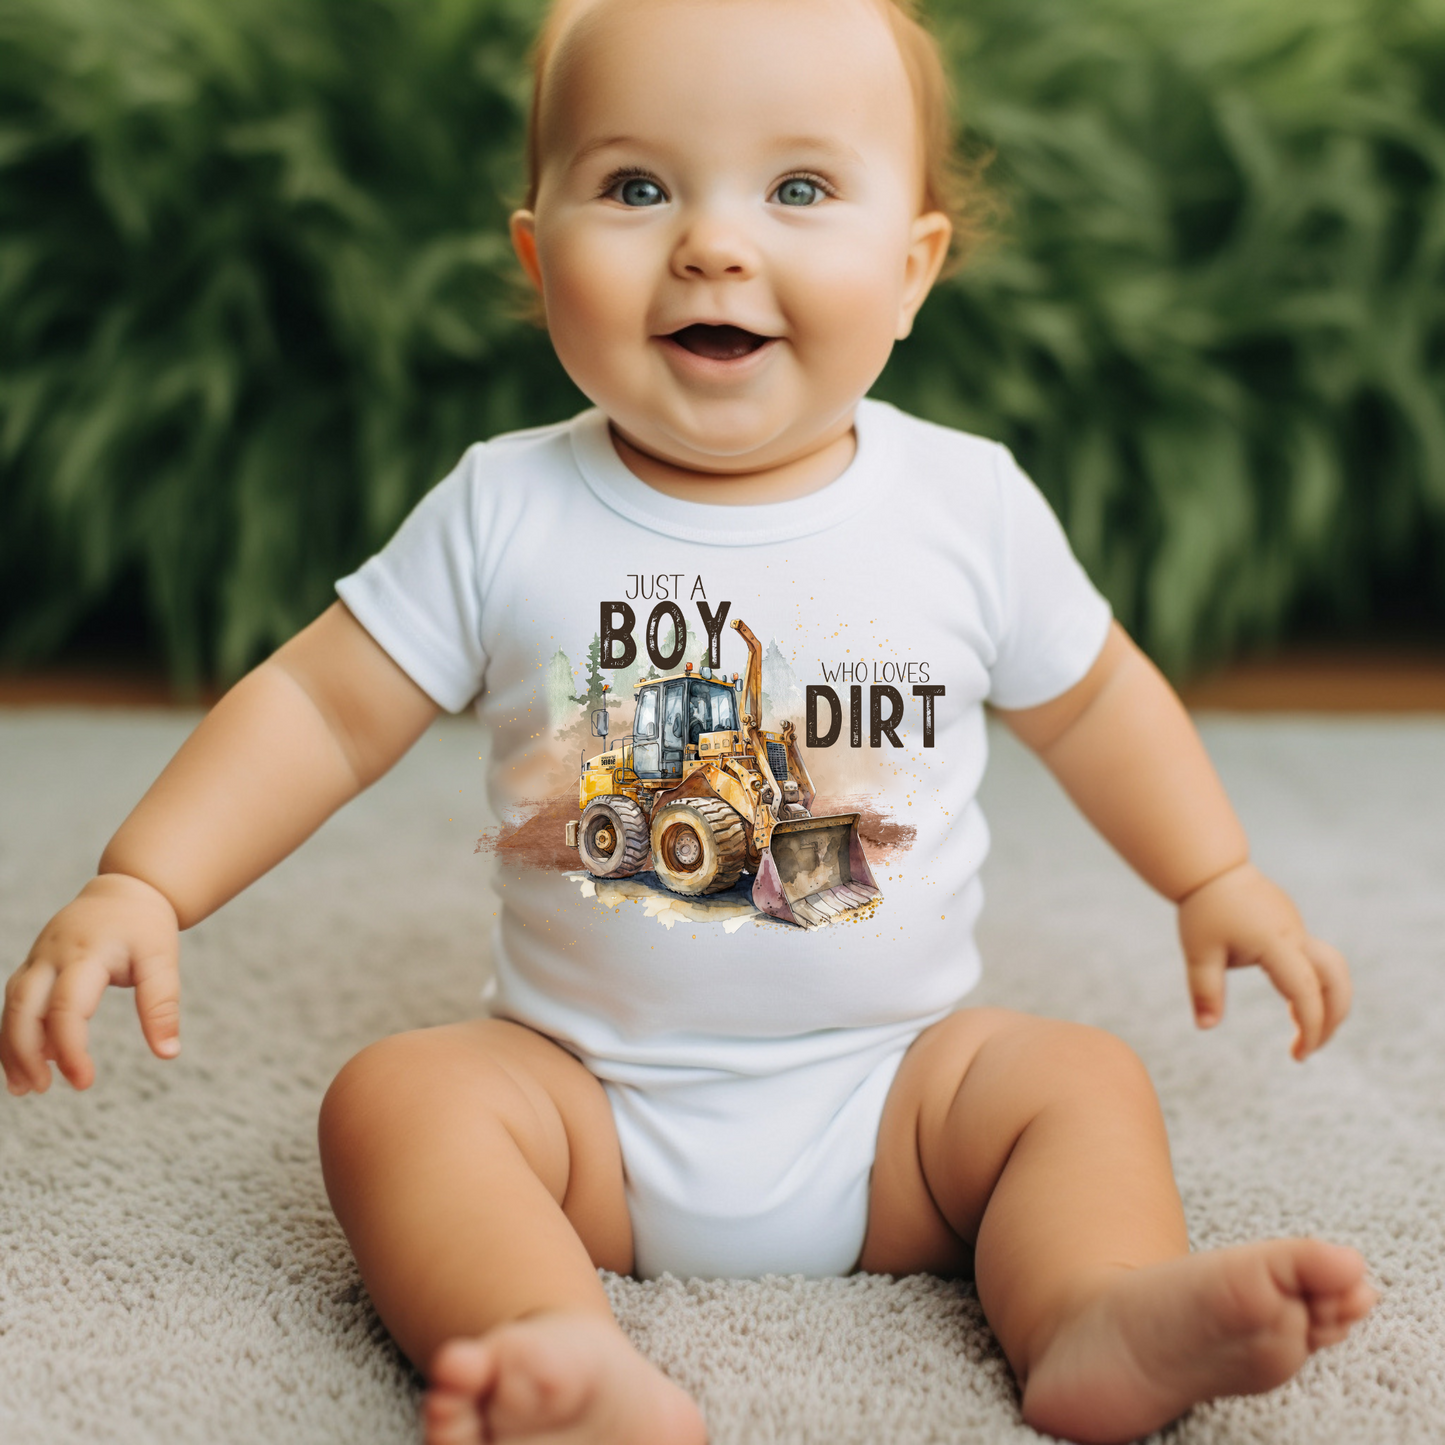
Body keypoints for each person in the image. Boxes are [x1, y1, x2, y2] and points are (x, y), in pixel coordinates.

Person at [1, 1, 1377, 1441]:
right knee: (397, 1104)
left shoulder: (965, 506)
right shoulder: (504, 506)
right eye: (637, 186)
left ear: (911, 271)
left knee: (1076, 1083)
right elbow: (321, 707)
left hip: (901, 1102)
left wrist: (1212, 874)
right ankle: (553, 1345)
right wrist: (146, 877)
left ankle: (1096, 1306)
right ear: (540, 260)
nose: (715, 244)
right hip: (584, 1108)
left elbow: (1096, 700)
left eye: (798, 188)